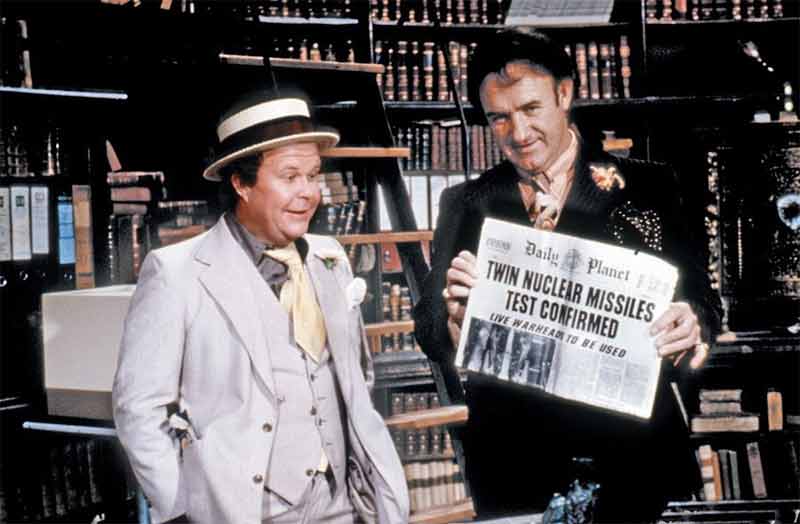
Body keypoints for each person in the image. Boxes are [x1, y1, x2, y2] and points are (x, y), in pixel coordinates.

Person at [413, 28, 722, 521]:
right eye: (498, 118)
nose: (518, 133)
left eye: (530, 109)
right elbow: (428, 329)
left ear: (564, 94)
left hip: (635, 460)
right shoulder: (465, 203)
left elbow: (704, 302)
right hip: (516, 467)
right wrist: (454, 318)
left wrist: (691, 321)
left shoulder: (650, 186)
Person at [113, 94, 409, 524]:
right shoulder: (176, 274)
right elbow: (139, 410)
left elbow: (356, 376)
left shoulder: (330, 258)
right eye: (290, 177)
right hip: (246, 510)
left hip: (342, 503)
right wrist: (180, 510)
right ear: (242, 183)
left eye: (313, 175)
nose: (308, 192)